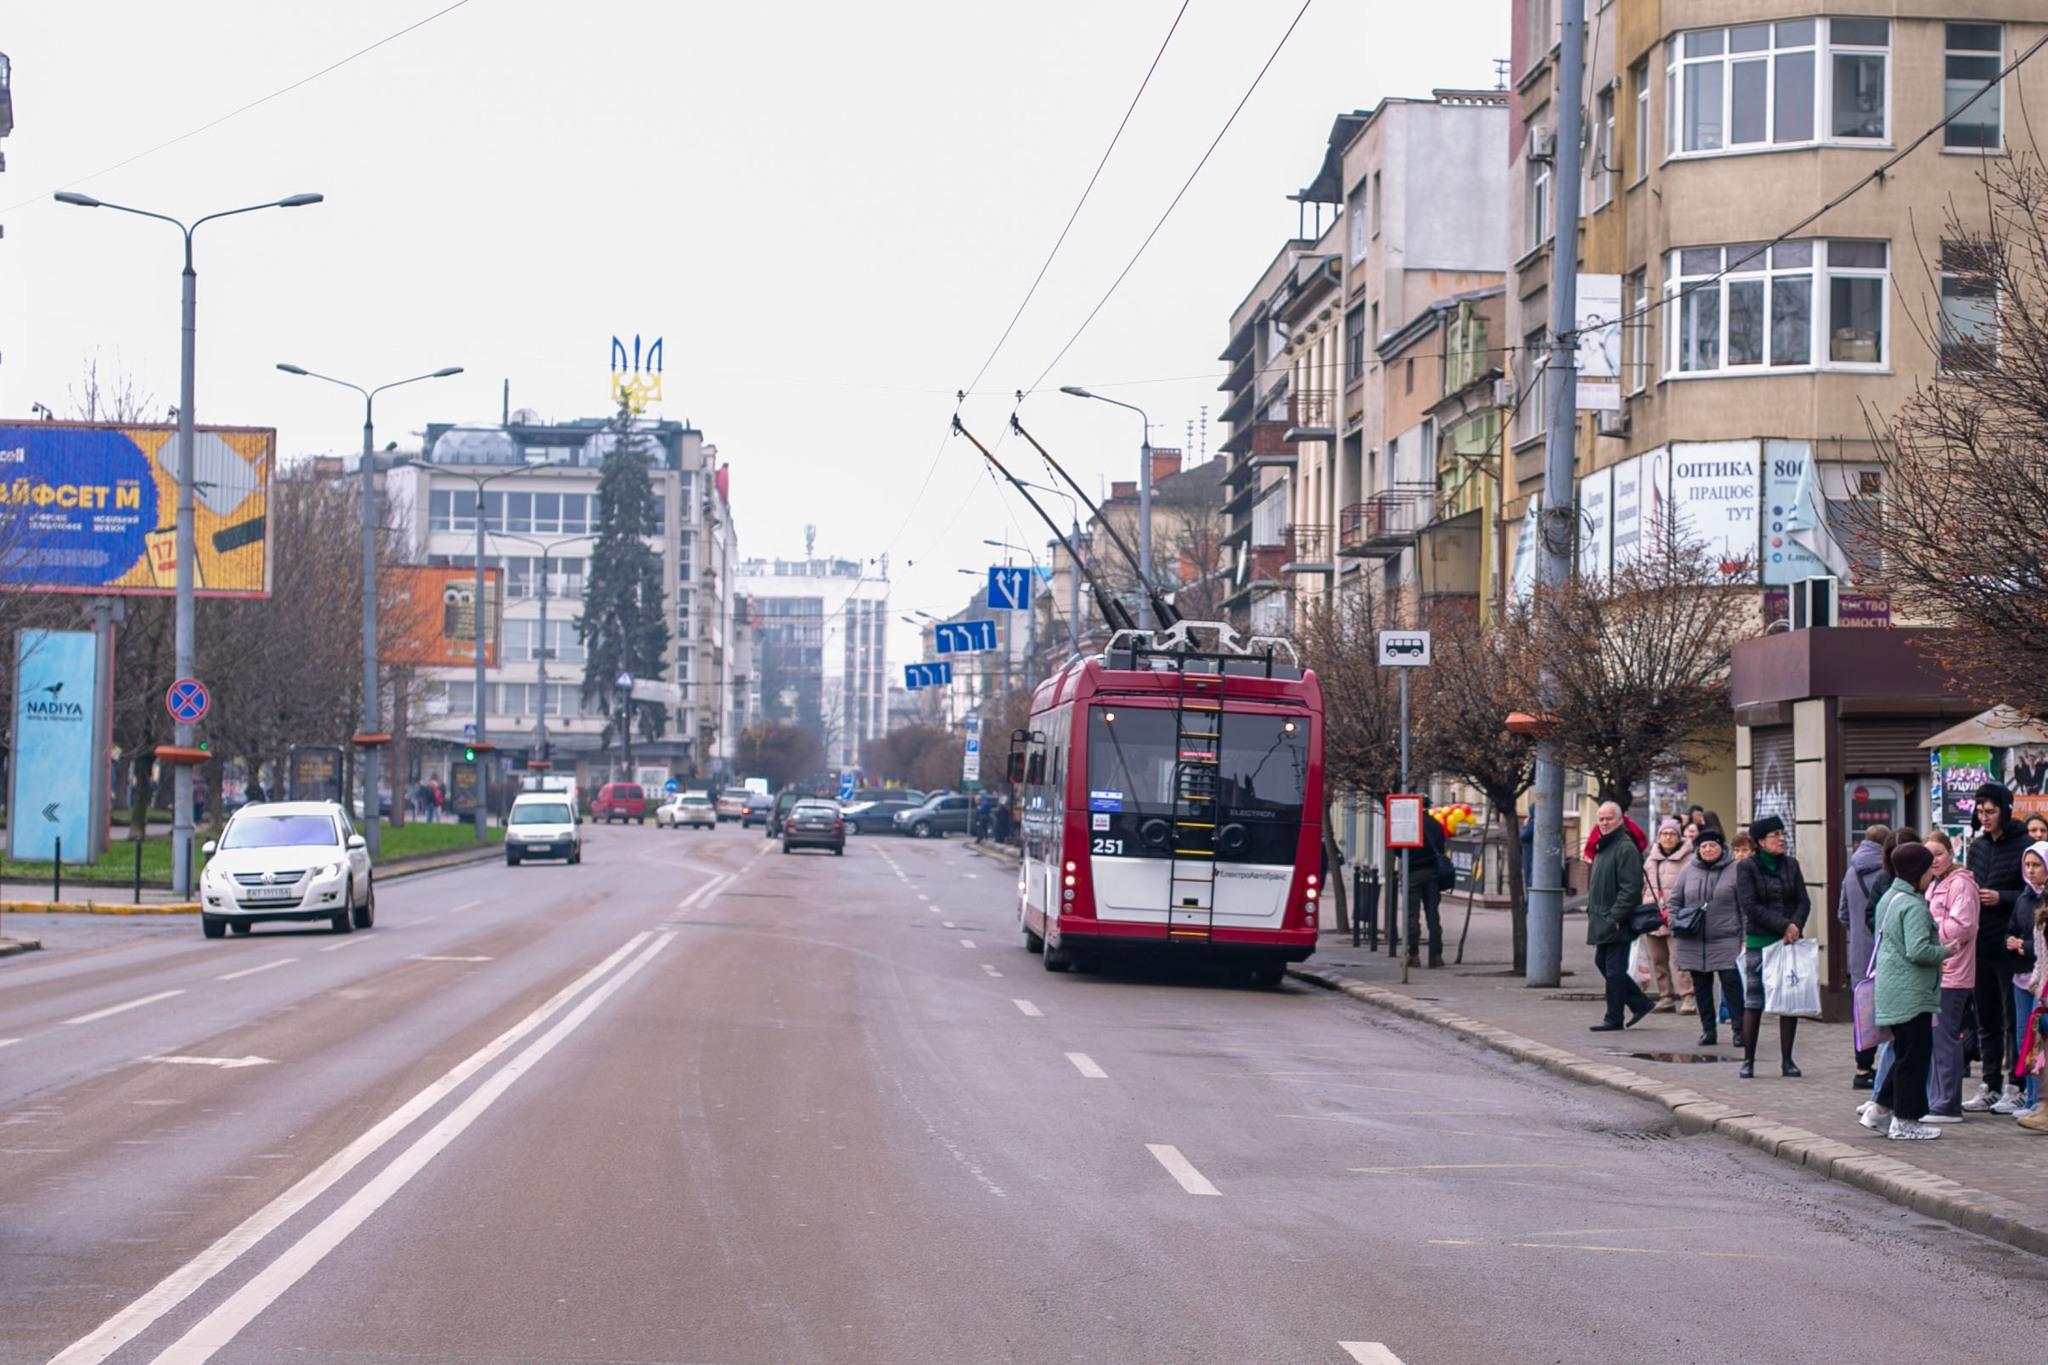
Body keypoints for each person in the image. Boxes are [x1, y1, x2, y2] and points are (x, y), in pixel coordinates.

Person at [1862, 841, 1956, 1140]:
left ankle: (1878, 1111)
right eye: (1928, 869)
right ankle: (1906, 1121)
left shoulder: (1891, 897)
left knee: (1904, 1054)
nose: (1931, 874)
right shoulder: (1913, 904)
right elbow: (1918, 950)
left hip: (1892, 990)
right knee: (1914, 1059)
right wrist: (1945, 951)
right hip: (1912, 994)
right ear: (1918, 871)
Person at [1964, 782, 2032, 1114]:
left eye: (1991, 811)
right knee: (1985, 1017)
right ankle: (1989, 1083)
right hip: (1981, 943)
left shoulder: (2025, 845)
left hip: (2011, 945)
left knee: (2012, 1019)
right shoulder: (1977, 847)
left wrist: (2000, 897)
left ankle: (2014, 1085)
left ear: (2005, 810)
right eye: (1980, 811)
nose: (1985, 816)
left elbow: (2033, 891)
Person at [1734, 815, 1812, 1079]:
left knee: (1788, 1002)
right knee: (1754, 1002)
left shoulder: (1791, 865)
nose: (1781, 839)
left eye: (1782, 833)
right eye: (1774, 835)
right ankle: (1748, 1060)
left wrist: (1795, 926)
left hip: (1788, 943)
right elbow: (1750, 906)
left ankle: (1787, 1060)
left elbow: (1804, 900)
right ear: (1760, 842)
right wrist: (1783, 925)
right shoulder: (1747, 868)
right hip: (1760, 942)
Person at [1921, 831, 1980, 1123]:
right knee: (1936, 1038)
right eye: (1928, 855)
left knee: (1946, 1038)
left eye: (1939, 854)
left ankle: (1947, 1103)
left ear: (1950, 853)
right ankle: (1936, 1098)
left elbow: (1964, 926)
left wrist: (1930, 928)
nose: (1934, 860)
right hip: (1937, 972)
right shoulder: (1935, 884)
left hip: (1954, 973)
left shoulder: (1962, 884)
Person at [1672, 827, 1744, 1047]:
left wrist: (1744, 937)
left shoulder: (1735, 870)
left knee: (1731, 985)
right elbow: (1674, 901)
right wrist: (1674, 922)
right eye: (1703, 846)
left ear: (1721, 847)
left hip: (1725, 938)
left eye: (1712, 845)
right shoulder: (1688, 871)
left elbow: (1744, 907)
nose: (1708, 849)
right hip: (1693, 938)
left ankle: (1739, 1030)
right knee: (1701, 988)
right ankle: (1708, 1030)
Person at [1586, 801, 1654, 1032]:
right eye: (1601, 819)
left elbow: (1630, 888)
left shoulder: (1624, 847)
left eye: (1609, 818)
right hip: (1603, 917)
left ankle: (1614, 1017)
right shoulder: (1604, 846)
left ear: (1620, 820)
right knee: (1602, 963)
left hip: (1616, 919)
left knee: (1614, 969)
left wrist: (1616, 915)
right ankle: (1639, 1003)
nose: (1604, 823)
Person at [1838, 824, 1892, 1089]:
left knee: (1863, 1010)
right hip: (1885, 949)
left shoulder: (1850, 872)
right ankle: (1885, 1063)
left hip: (1859, 951)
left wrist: (1857, 932)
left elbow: (1842, 913)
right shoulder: (1886, 874)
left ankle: (1862, 1068)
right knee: (1888, 1007)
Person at [2004, 841, 2048, 1120]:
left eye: (2036, 865)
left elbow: (2041, 943)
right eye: (2027, 865)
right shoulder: (2022, 898)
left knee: (2039, 1038)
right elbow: (2011, 929)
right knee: (2024, 1039)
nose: (2030, 871)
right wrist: (2010, 941)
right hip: (2022, 975)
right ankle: (2031, 1097)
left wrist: (2025, 947)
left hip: (2040, 977)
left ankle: (2039, 1101)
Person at [1641, 817, 1697, 1013]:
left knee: (1678, 958)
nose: (1667, 837)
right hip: (1652, 916)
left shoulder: (1689, 860)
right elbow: (1645, 885)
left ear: (1678, 836)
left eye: (1672, 834)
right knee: (1658, 958)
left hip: (1676, 915)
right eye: (1664, 834)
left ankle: (1688, 996)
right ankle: (1665, 996)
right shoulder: (1650, 859)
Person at [1406, 808, 1450, 969]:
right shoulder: (1436, 825)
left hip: (1413, 874)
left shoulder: (1410, 824)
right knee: (1433, 915)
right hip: (1432, 873)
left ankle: (1413, 955)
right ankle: (1436, 955)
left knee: (1412, 916)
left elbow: (1398, 850)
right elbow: (1442, 847)